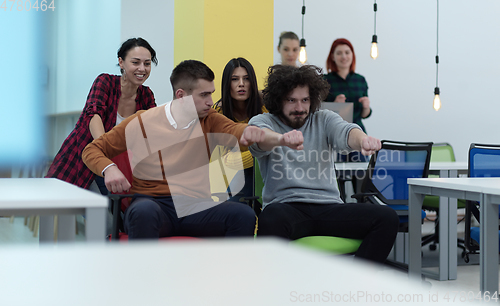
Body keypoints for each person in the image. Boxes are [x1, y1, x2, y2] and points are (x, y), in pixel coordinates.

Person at [82, 60, 290, 239]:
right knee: (142, 211)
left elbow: (239, 130)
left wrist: (279, 138)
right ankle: (142, 281)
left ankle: (229, 280)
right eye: (204, 95)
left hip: (196, 207)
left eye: (212, 94)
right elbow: (92, 150)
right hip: (155, 205)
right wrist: (109, 168)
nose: (211, 102)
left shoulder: (210, 119)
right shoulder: (143, 121)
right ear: (181, 95)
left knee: (243, 215)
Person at [248, 64, 399, 263]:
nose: (299, 108)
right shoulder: (263, 121)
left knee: (387, 218)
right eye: (291, 100)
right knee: (270, 216)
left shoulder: (324, 118)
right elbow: (260, 138)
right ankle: (276, 288)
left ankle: (356, 284)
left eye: (305, 100)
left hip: (329, 208)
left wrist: (362, 140)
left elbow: (346, 131)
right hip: (286, 207)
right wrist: (281, 139)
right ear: (278, 99)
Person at [45, 37, 158, 193]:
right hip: (85, 159)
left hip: (120, 167)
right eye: (135, 62)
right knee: (99, 213)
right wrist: (104, 154)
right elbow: (94, 115)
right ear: (121, 62)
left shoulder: (146, 95)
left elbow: (152, 130)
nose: (142, 69)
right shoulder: (105, 82)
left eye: (147, 63)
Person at [213, 57, 267, 202]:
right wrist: (259, 152)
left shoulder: (265, 109)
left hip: (268, 172)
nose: (241, 84)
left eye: (246, 79)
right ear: (227, 83)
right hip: (230, 178)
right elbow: (228, 161)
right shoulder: (218, 113)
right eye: (235, 79)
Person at [323, 38, 372, 162]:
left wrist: (366, 107)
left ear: (352, 55)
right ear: (332, 57)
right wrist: (334, 106)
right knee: (337, 174)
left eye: (347, 52)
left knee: (361, 173)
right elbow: (318, 110)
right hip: (334, 134)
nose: (343, 56)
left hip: (357, 132)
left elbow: (364, 114)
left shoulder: (360, 80)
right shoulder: (325, 80)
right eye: (339, 53)